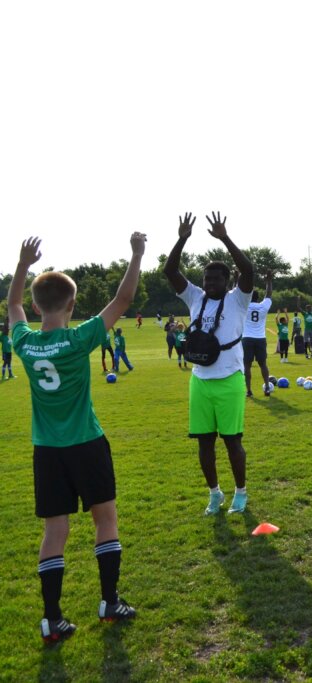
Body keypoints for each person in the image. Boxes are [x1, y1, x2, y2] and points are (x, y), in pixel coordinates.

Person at [9, 233, 146, 643]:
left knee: (55, 530)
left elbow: (12, 305)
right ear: (72, 304)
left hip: (47, 451)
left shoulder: (25, 343)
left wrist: (21, 265)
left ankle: (52, 619)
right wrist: (136, 255)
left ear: (37, 306)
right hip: (86, 442)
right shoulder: (80, 338)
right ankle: (109, 602)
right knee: (105, 519)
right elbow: (122, 300)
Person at [163, 211, 254, 516]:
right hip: (200, 380)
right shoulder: (195, 298)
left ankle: (240, 493)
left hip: (229, 380)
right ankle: (214, 494)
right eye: (206, 279)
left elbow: (248, 268)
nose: (209, 283)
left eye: (215, 278)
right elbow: (170, 269)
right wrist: (182, 238)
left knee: (232, 442)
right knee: (204, 443)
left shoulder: (238, 299)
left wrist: (225, 238)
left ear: (227, 281)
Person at [242, 275, 274, 398]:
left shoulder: (244, 306)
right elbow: (269, 294)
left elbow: (236, 296)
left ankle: (249, 391)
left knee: (247, 365)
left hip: (247, 338)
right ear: (258, 298)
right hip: (260, 338)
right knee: (263, 364)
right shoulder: (263, 306)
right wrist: (269, 281)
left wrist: (236, 279)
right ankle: (266, 387)